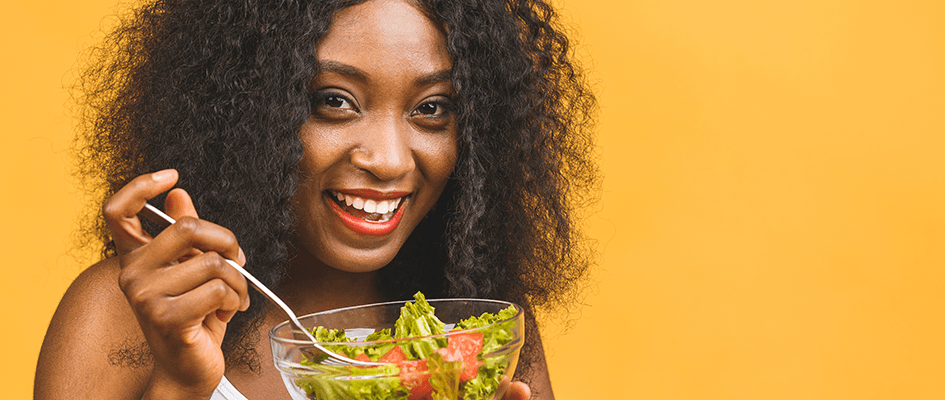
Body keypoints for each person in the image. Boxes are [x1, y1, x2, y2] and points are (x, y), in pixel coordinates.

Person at [35, 0, 597, 399]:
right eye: (335, 101)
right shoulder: (125, 313)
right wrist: (182, 386)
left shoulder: (475, 326)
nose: (390, 159)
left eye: (431, 109)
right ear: (247, 115)